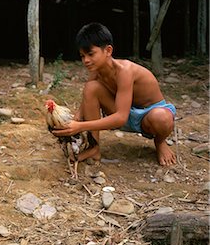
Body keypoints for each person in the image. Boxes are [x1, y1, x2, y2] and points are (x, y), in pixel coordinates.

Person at [52, 22, 176, 166]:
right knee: (91, 87)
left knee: (161, 118)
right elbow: (88, 97)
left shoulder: (125, 71)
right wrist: (74, 121)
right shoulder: (96, 70)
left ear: (108, 51)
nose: (86, 60)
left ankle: (160, 142)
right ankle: (94, 148)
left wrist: (80, 126)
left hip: (148, 114)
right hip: (123, 111)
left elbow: (121, 118)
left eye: (91, 54)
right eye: (82, 56)